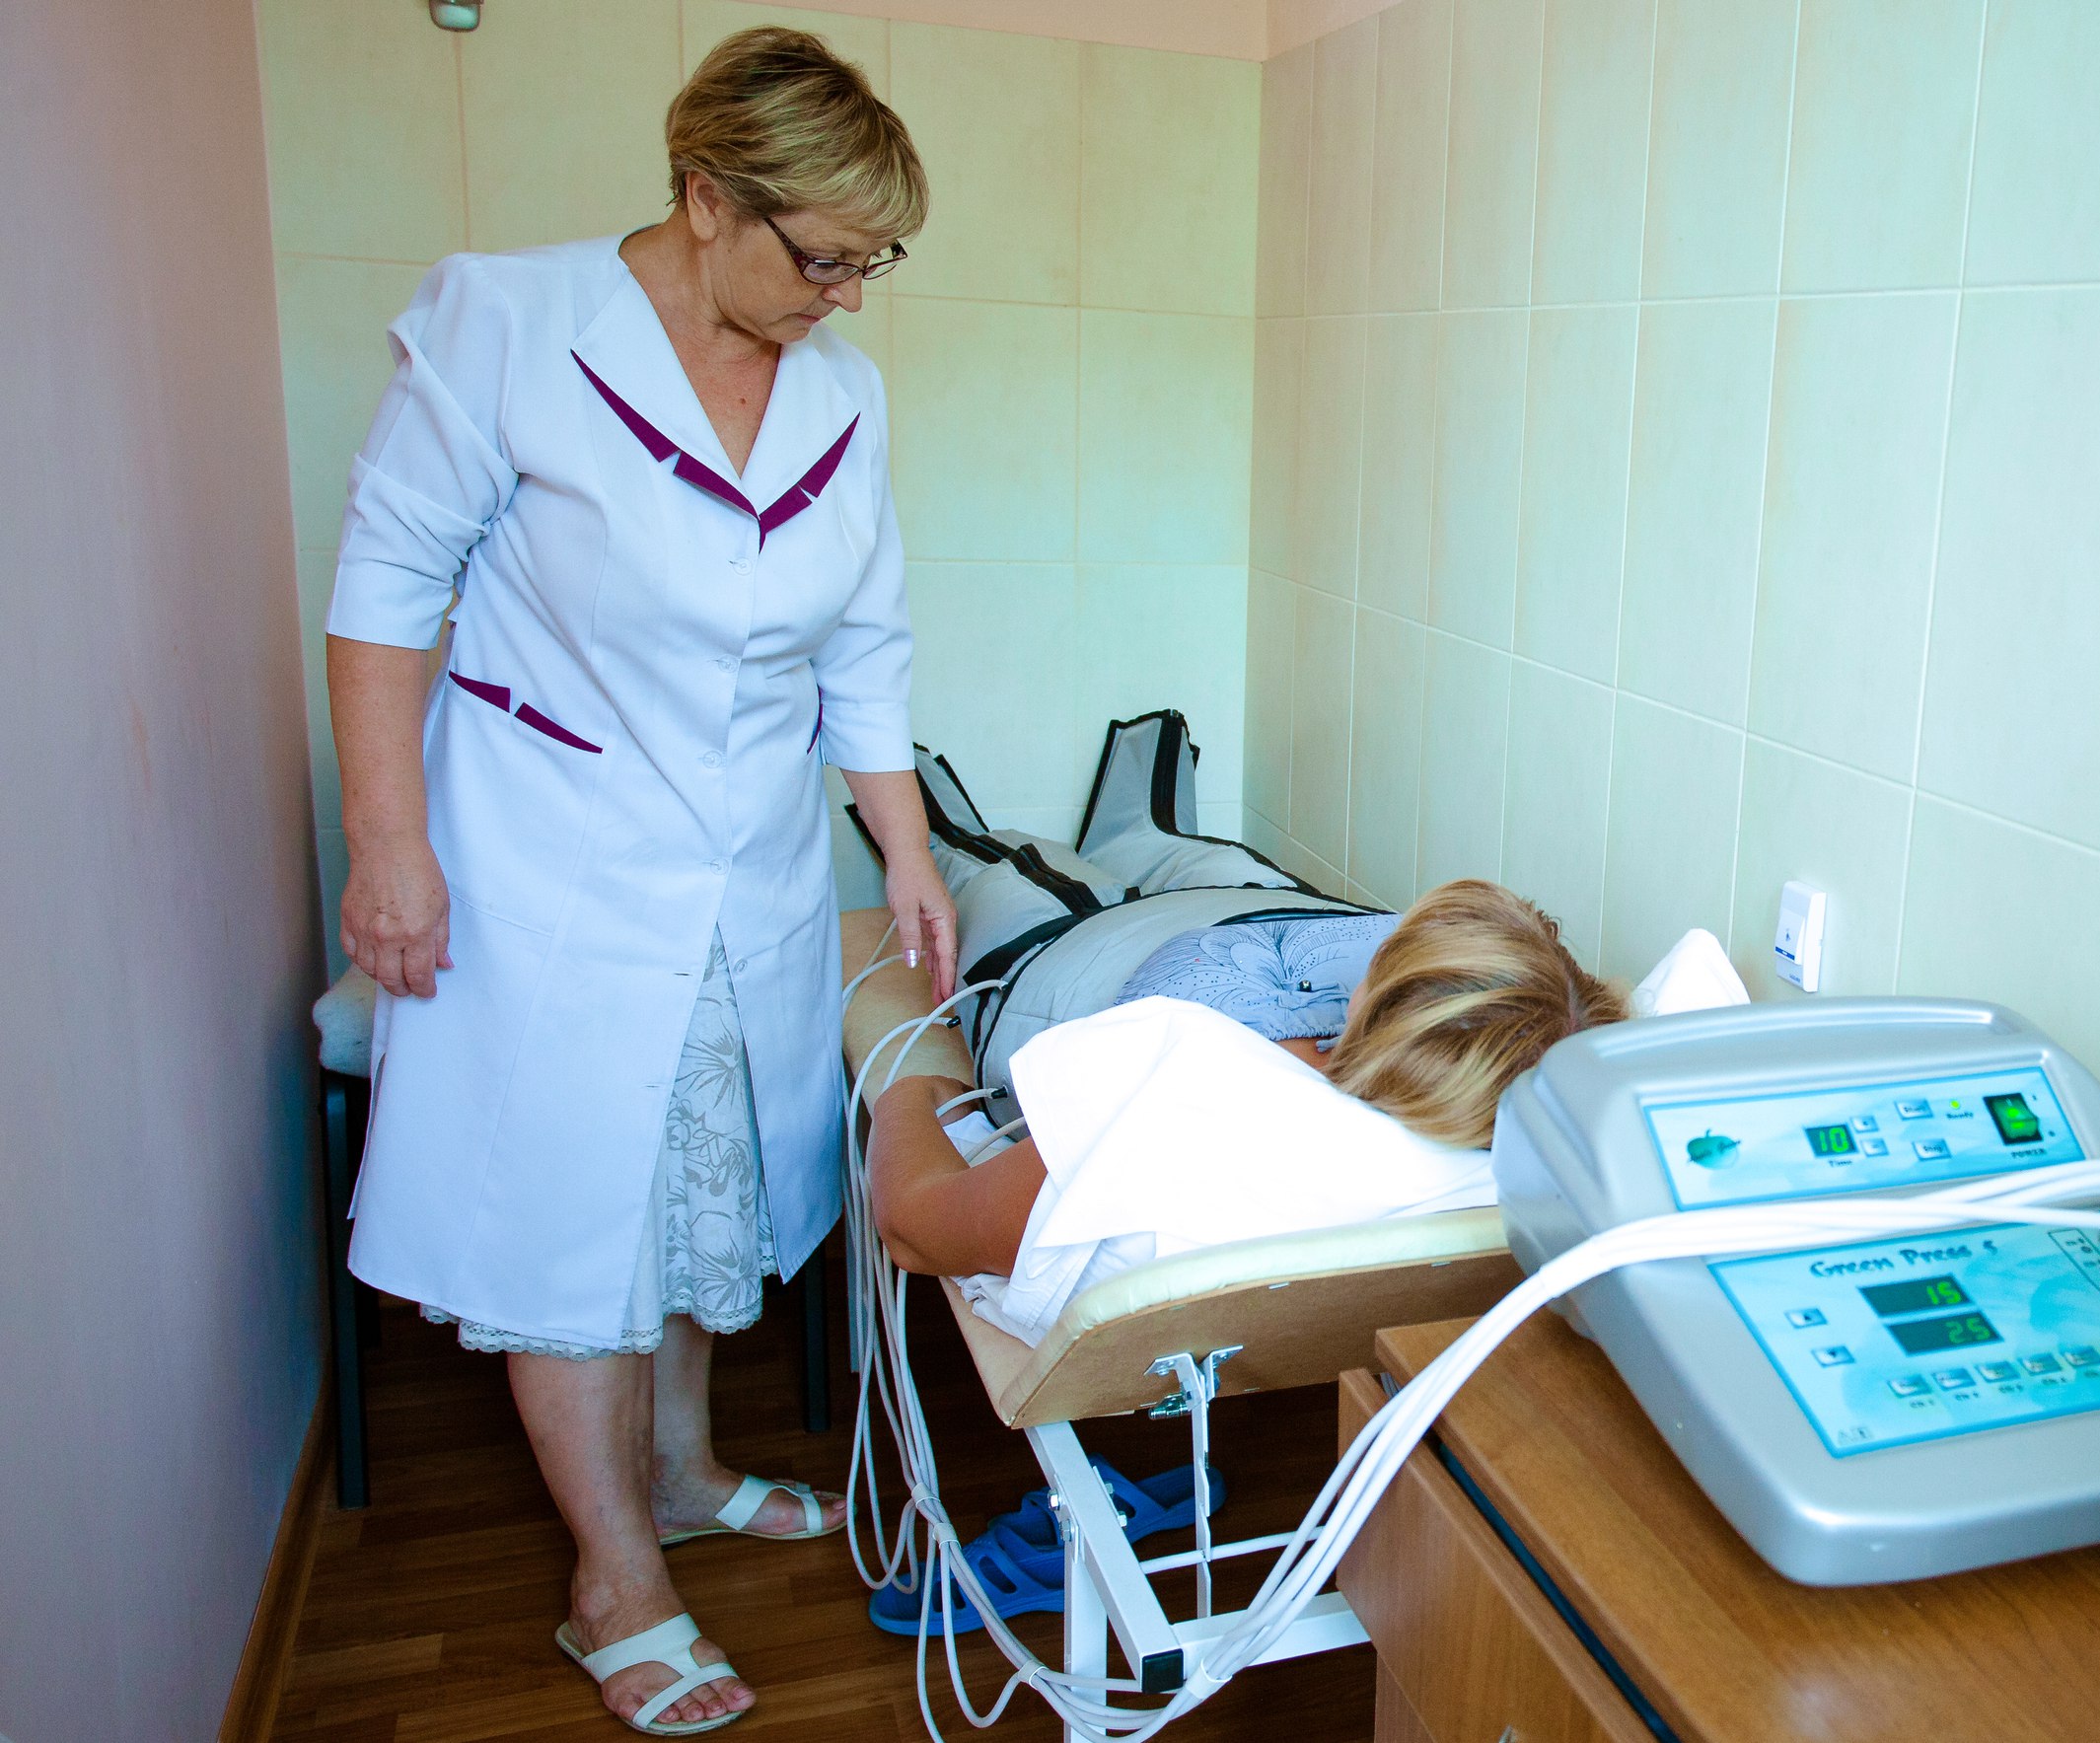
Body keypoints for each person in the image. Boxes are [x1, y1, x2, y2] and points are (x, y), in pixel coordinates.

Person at [325, 29, 952, 1735]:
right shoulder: (509, 324)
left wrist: (902, 846)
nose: (848, 297)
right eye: (822, 257)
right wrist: (390, 847)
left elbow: (867, 645)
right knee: (572, 1209)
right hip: (547, 858)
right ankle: (613, 1577)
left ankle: (678, 1468)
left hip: (749, 857)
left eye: (872, 261)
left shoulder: (842, 392)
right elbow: (385, 587)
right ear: (705, 197)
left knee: (697, 1173)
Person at [867, 875, 1629, 1306]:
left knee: (1000, 876)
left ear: (1372, 1006)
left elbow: (912, 1226)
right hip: (1231, 924)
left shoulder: (1182, 1090)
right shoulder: (1496, 1161)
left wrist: (909, 1091)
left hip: (1063, 964)